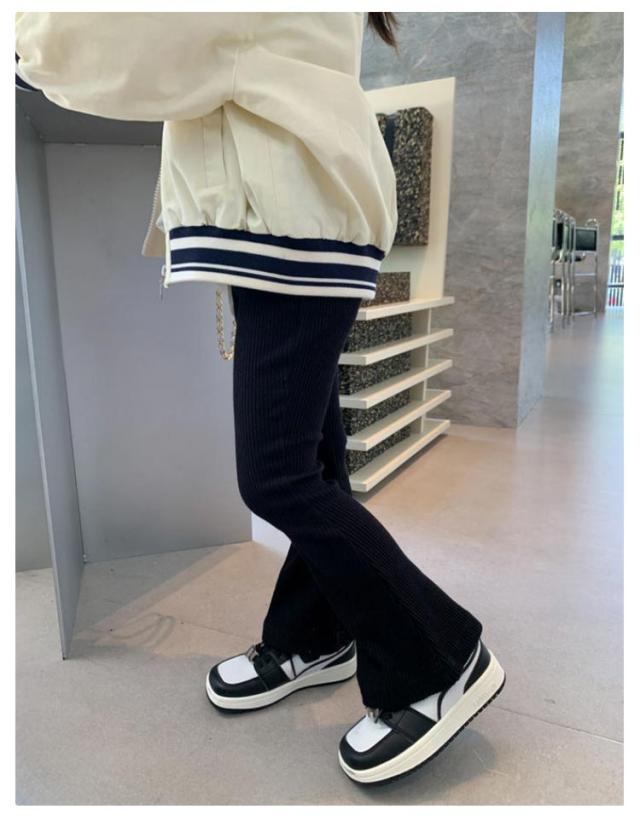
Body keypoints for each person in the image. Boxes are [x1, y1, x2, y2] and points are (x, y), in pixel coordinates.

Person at [15, 11, 505, 785]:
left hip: (293, 227)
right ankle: (316, 632)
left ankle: (439, 657)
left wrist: (25, 38)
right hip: (298, 217)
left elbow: (141, 39)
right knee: (312, 459)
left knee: (277, 475)